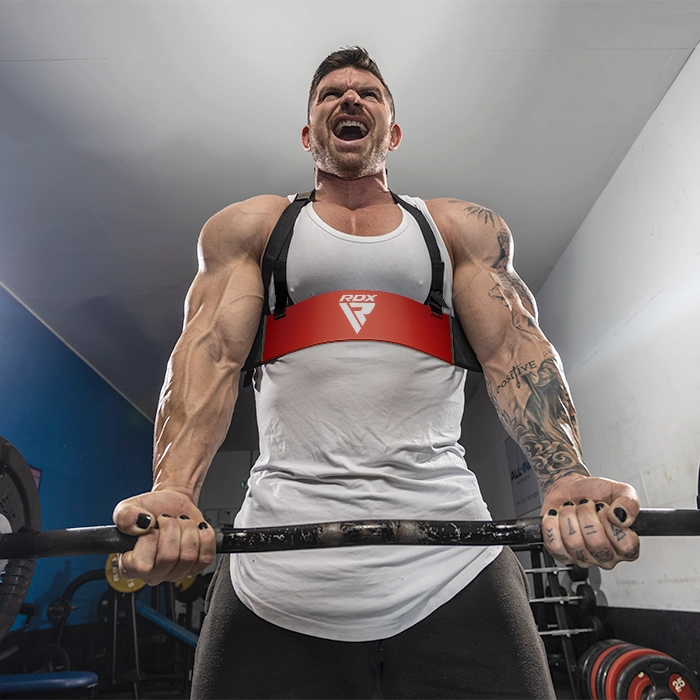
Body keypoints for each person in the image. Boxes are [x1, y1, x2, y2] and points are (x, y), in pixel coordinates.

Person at [113, 47, 640, 699]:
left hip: (453, 562)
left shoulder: (457, 231)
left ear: (392, 133)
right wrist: (175, 491)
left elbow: (515, 351)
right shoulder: (254, 229)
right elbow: (209, 356)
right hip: (278, 573)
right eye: (330, 93)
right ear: (308, 134)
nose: (349, 99)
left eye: (368, 93)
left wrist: (566, 476)